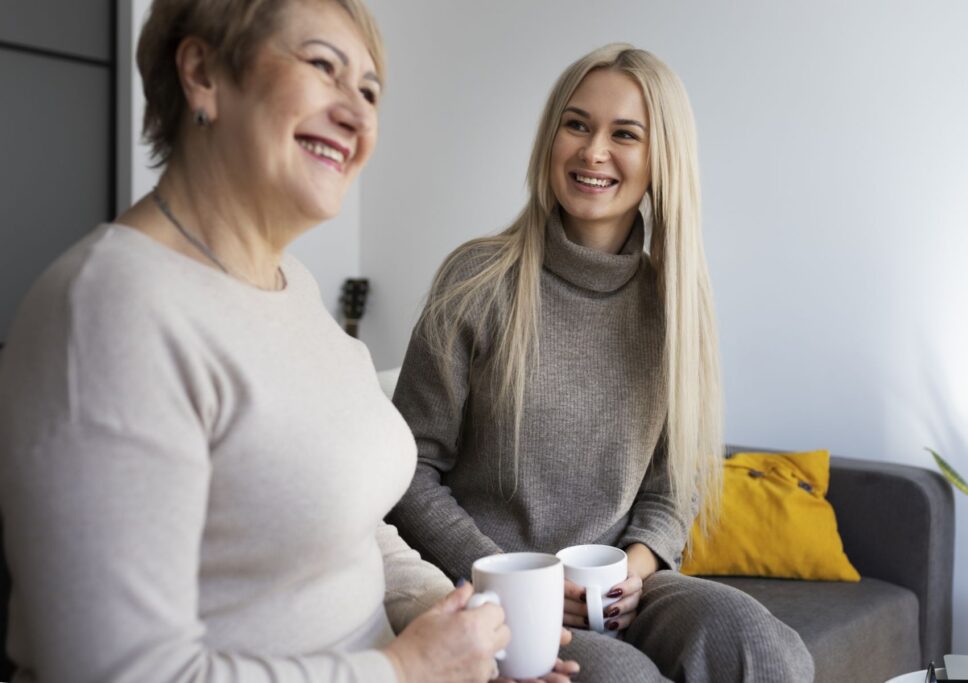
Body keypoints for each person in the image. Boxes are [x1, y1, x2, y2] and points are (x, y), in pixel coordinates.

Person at [0, 1, 578, 682]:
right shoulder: (109, 308)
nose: (359, 116)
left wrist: (457, 620)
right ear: (203, 71)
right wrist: (404, 669)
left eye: (369, 91)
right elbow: (120, 672)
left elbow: (349, 525)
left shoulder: (295, 287)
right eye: (323, 68)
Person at [387, 43, 816, 682]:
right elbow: (409, 469)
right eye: (577, 124)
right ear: (551, 138)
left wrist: (637, 569)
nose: (593, 151)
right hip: (508, 594)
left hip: (620, 587)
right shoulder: (477, 280)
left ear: (659, 159)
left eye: (625, 134)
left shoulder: (673, 306)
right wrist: (507, 578)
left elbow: (675, 484)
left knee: (765, 648)